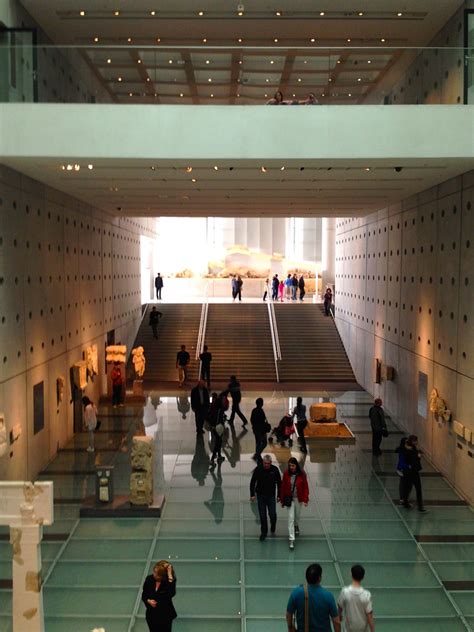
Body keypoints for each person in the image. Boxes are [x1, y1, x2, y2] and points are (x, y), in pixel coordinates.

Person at [286, 564, 341, 632]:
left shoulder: (296, 593)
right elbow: (336, 622)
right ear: (319, 578)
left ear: (306, 577)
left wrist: (290, 627)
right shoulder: (328, 596)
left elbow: (289, 614)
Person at [250, 454, 282, 541]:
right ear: (263, 462)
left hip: (271, 496)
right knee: (262, 515)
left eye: (268, 463)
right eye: (265, 463)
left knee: (272, 514)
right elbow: (252, 482)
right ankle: (264, 532)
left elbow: (279, 483)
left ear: (271, 463)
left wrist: (279, 495)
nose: (266, 465)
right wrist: (252, 494)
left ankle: (273, 524)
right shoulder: (258, 469)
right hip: (261, 496)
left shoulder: (275, 470)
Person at [281, 457, 309, 549]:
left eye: (293, 465)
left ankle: (296, 525)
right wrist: (282, 500)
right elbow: (283, 487)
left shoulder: (302, 474)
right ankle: (291, 539)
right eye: (290, 466)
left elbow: (305, 486)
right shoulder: (286, 474)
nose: (291, 467)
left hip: (299, 498)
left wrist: (305, 499)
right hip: (290, 499)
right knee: (290, 518)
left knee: (297, 515)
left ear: (296, 465)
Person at [142, 560, 177, 632]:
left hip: (165, 615)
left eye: (156, 573)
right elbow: (144, 595)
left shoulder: (169, 581)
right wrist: (148, 601)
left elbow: (171, 593)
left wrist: (170, 575)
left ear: (162, 576)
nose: (154, 574)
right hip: (151, 615)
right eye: (154, 571)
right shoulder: (149, 579)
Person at [338, 565, 375, 632]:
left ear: (351, 575)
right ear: (363, 577)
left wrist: (339, 615)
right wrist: (372, 630)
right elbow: (369, 616)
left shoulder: (344, 592)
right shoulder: (366, 594)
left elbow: (340, 607)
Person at [401, 435, 427, 513]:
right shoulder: (411, 450)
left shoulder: (408, 448)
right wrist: (418, 457)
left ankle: (406, 502)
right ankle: (420, 507)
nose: (417, 442)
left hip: (409, 472)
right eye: (416, 441)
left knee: (408, 488)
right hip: (412, 472)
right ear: (413, 441)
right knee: (416, 489)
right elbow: (412, 460)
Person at [208, 391, 227, 466]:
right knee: (218, 442)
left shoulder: (213, 406)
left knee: (219, 441)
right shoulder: (219, 409)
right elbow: (219, 418)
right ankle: (212, 459)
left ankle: (219, 455)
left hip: (214, 427)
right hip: (218, 426)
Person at [250, 397, 270, 463]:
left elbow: (251, 420)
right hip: (261, 430)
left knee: (258, 443)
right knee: (264, 443)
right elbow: (263, 421)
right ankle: (257, 455)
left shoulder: (254, 410)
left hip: (255, 429)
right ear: (262, 404)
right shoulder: (261, 411)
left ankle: (257, 455)